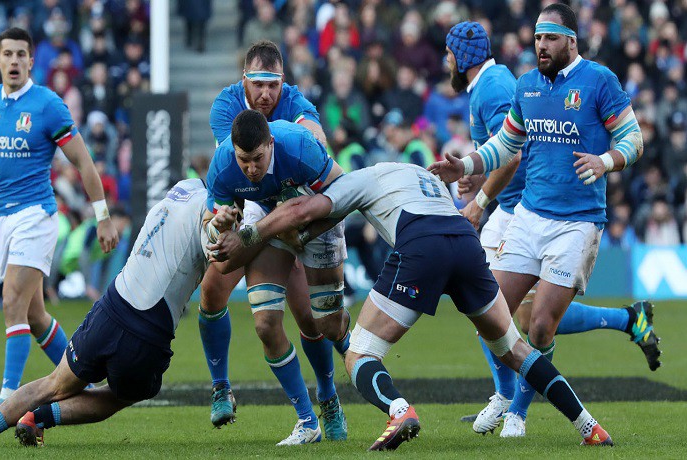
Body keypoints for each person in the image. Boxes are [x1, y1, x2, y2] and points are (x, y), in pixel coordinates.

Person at [208, 162, 615, 451]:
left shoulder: (356, 179)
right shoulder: (415, 172)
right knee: (516, 349)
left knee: (359, 352)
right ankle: (589, 426)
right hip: (463, 238)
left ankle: (398, 411)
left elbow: (304, 209)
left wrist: (252, 236)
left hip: (422, 243)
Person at [430, 4, 650, 439]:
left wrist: (606, 160)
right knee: (488, 313)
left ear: (571, 39)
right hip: (528, 216)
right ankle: (509, 397)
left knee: (541, 325)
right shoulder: (527, 86)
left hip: (577, 222)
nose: (541, 46)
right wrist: (468, 165)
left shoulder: (599, 80)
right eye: (536, 38)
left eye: (550, 38)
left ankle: (518, 410)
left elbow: (634, 138)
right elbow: (506, 145)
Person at [0, 179, 231, 448]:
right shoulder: (210, 214)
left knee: (52, 382)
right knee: (123, 395)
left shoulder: (176, 194)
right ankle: (40, 417)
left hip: (111, 307)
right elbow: (220, 253)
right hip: (148, 333)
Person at [0, 27, 119, 407]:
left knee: (11, 302)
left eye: (23, 54)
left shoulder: (48, 105)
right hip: (4, 220)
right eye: (9, 54)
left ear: (32, 61)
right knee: (35, 316)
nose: (16, 60)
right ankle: (82, 383)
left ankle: (7, 401)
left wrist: (102, 216)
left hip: (36, 215)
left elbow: (83, 161)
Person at [202, 39, 346, 438]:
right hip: (249, 209)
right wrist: (221, 219)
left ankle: (329, 397)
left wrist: (298, 214)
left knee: (313, 320)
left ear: (283, 82)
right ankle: (221, 389)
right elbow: (235, 169)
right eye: (258, 84)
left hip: (293, 213)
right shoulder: (227, 108)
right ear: (243, 81)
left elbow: (317, 144)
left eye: (273, 85)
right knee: (213, 291)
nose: (266, 94)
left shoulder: (296, 109)